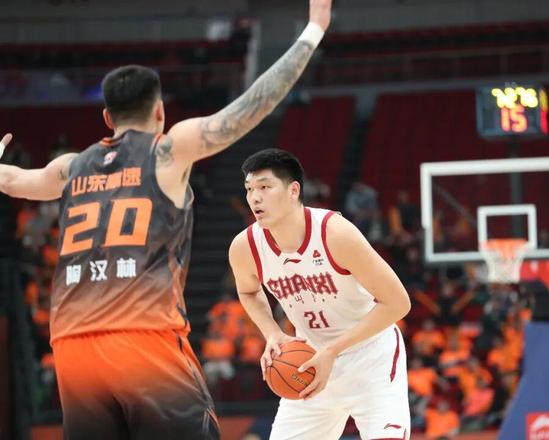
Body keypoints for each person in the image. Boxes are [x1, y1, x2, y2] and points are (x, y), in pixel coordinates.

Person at [0, 1, 333, 438]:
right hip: (142, 338)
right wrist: (312, 31)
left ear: (107, 118)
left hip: (72, 346)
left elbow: (13, 180)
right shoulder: (166, 152)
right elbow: (251, 106)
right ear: (159, 112)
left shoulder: (72, 166)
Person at [228, 149, 411, 439]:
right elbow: (248, 291)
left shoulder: (336, 234)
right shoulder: (244, 247)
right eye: (249, 189)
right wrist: (272, 334)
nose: (254, 198)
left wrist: (333, 350)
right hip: (308, 361)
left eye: (264, 187)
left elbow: (398, 303)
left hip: (370, 358)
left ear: (293, 191)